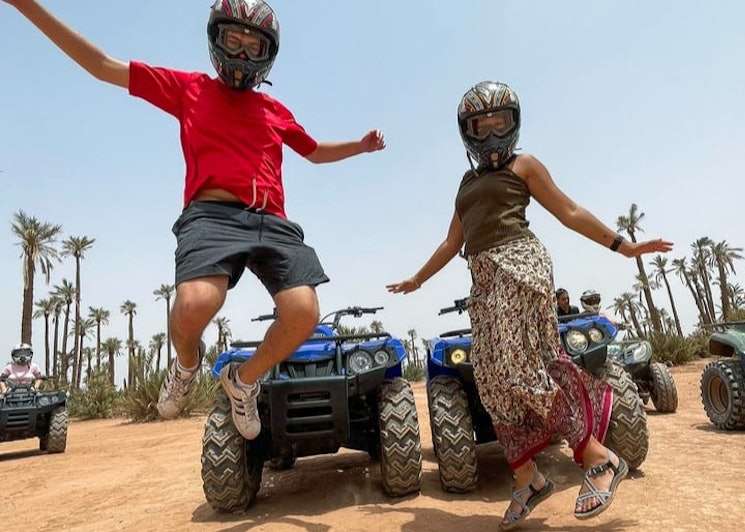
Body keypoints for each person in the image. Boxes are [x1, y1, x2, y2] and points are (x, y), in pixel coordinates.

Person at [4, 0, 386, 439]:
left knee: (304, 311)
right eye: (233, 40)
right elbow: (102, 66)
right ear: (215, 39)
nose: (241, 53)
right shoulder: (189, 89)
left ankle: (243, 380)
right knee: (194, 305)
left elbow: (313, 151)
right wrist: (27, 6)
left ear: (268, 54)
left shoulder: (275, 111)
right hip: (212, 216)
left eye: (253, 46)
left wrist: (358, 147)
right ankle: (186, 364)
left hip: (271, 220)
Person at [387, 80, 672, 527]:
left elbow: (569, 212)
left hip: (520, 265)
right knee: (491, 379)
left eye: (498, 122)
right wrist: (417, 279)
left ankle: (598, 457)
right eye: (479, 126)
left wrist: (625, 247)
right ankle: (527, 479)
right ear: (466, 132)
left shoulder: (525, 165)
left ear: (513, 124)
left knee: (522, 367)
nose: (489, 133)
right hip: (484, 281)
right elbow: (451, 242)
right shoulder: (466, 182)